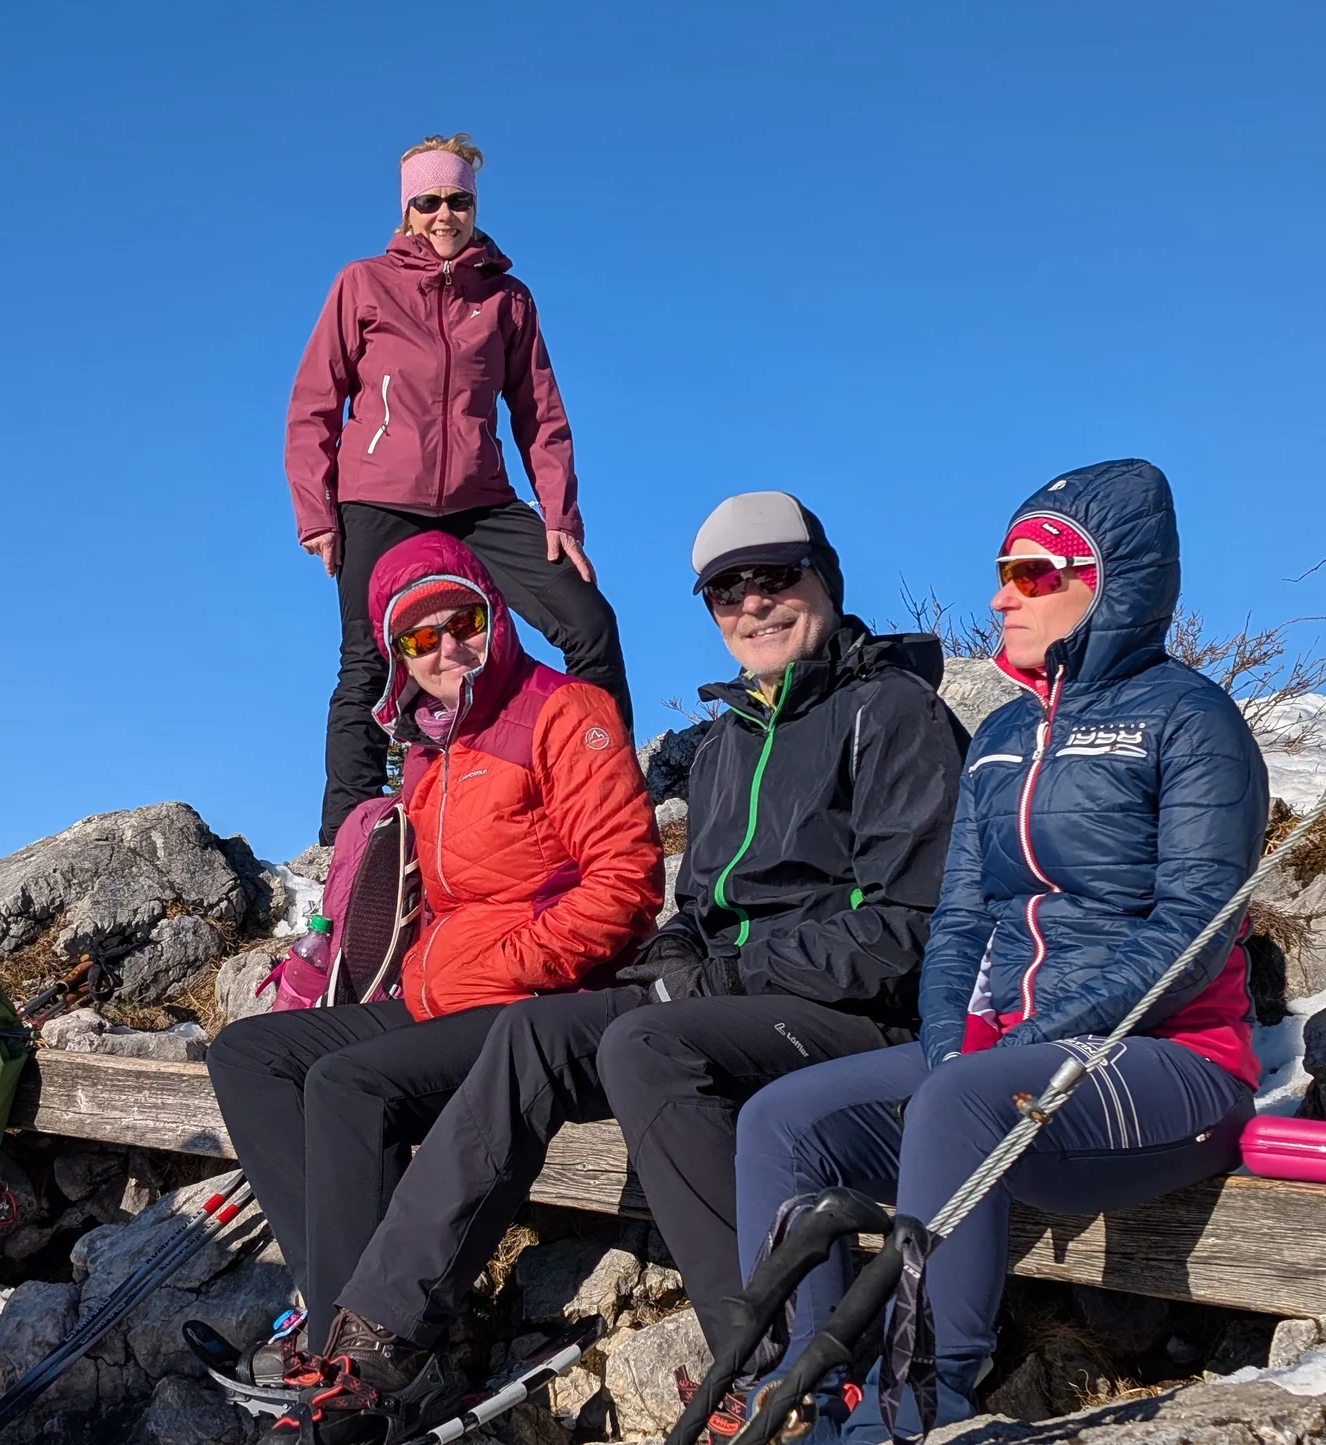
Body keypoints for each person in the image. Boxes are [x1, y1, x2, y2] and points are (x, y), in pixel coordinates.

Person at [279, 492, 968, 1442]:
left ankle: (771, 1365)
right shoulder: (729, 741)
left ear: (826, 579)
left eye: (776, 577)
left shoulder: (890, 713)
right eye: (726, 591)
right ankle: (372, 1349)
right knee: (542, 1033)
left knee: (645, 1046)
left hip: (854, 1015)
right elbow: (693, 915)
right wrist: (675, 965)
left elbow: (911, 929)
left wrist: (714, 980)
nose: (753, 604)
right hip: (738, 1004)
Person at [733, 459, 1270, 1440]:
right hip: (1003, 1063)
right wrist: (952, 1039)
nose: (1000, 596)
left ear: (1105, 582)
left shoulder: (1192, 720)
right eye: (1000, 572)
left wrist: (1022, 1045)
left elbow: (1193, 932)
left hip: (1169, 1062)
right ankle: (802, 1403)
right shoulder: (1003, 736)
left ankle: (911, 1407)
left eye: (1029, 573)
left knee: (962, 1099)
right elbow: (961, 921)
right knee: (780, 1120)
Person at [205, 531, 662, 1364]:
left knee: (350, 1084)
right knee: (249, 1054)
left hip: (542, 1005)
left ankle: (363, 1353)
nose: (447, 647)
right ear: (399, 658)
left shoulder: (565, 712)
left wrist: (509, 964)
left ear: (496, 617)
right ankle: (337, 1309)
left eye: (464, 621)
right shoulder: (428, 753)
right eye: (421, 636)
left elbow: (625, 884)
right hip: (441, 995)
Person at [287, 132, 632, 845]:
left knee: (589, 621)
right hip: (378, 500)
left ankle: (606, 785)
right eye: (430, 201)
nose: (445, 214)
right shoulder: (363, 283)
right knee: (369, 662)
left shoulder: (507, 299)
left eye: (459, 200)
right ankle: (349, 840)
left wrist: (559, 516)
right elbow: (314, 403)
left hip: (481, 502)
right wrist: (316, 513)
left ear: (475, 207)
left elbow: (540, 413)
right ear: (408, 211)